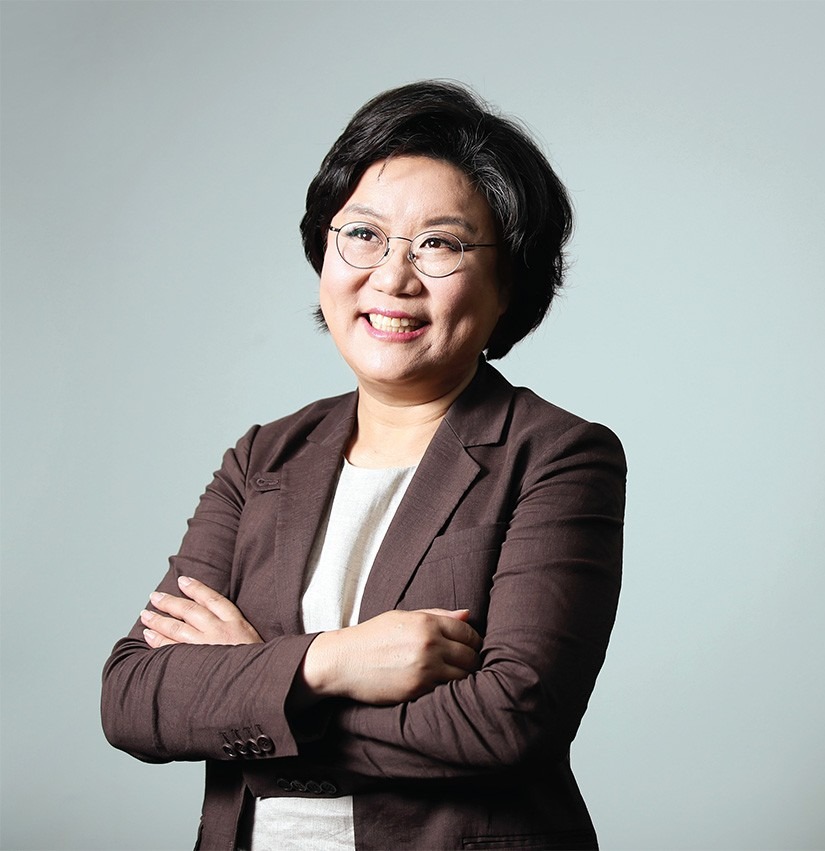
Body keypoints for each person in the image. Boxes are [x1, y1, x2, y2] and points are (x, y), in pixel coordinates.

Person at [101, 79, 626, 851]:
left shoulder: (556, 455)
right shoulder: (263, 457)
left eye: (439, 244)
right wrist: (332, 661)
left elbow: (509, 719)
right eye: (364, 234)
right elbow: (133, 696)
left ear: (508, 282)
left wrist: (251, 684)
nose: (392, 277)